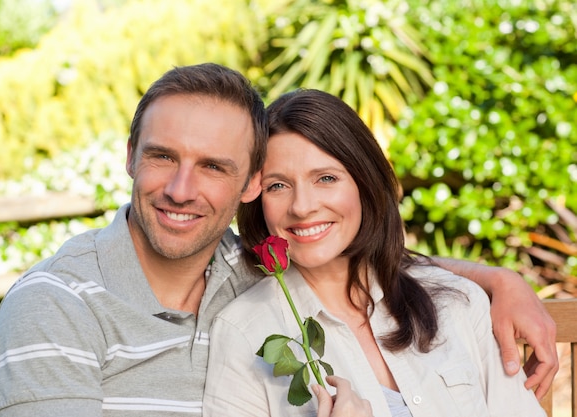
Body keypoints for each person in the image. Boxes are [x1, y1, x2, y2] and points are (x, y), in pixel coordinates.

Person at [0, 63, 555, 417]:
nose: (182, 190)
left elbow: (362, 260)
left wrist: (495, 279)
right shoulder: (56, 307)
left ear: (247, 185)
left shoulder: (255, 270)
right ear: (130, 157)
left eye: (213, 166)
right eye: (162, 157)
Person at [202, 89, 548, 416]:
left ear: (364, 182)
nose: (303, 207)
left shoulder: (457, 304)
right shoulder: (244, 334)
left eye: (325, 178)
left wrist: (502, 278)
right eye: (277, 186)